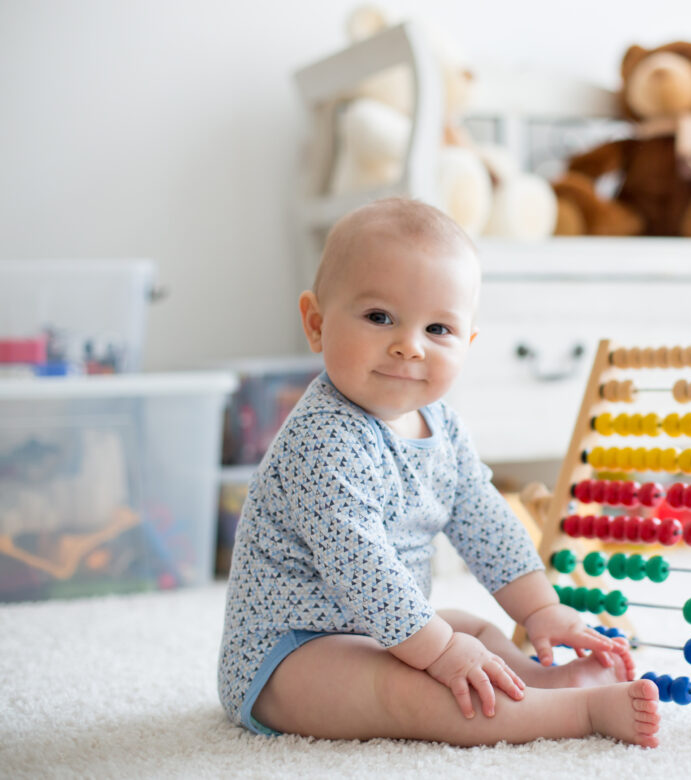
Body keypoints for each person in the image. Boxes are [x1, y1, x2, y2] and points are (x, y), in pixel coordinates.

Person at [217, 198, 660, 748]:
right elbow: (362, 569)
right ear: (316, 323)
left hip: (385, 628)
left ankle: (543, 682)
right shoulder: (322, 439)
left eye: (438, 328)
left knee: (476, 632)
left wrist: (543, 608)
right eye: (379, 317)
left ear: (467, 344)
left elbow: (482, 517)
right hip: (289, 654)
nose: (409, 345)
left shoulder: (441, 424)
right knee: (413, 690)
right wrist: (440, 651)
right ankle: (580, 713)